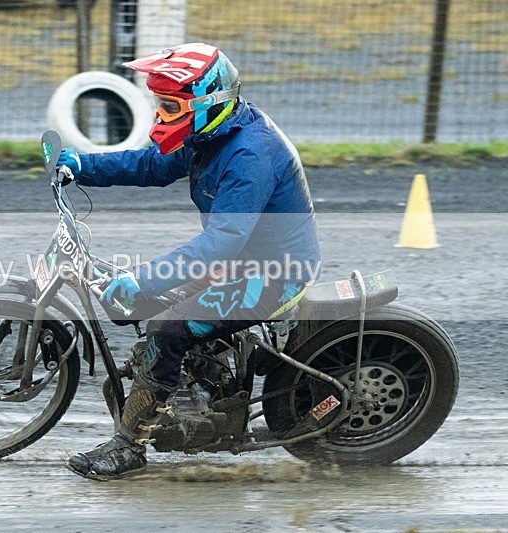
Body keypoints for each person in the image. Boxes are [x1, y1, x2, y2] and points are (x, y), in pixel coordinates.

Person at [56, 43, 322, 480]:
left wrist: (143, 282)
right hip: (241, 262)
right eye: (158, 103)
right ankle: (199, 383)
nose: (160, 116)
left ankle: (130, 448)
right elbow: (152, 165)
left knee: (165, 326)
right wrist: (85, 166)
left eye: (169, 105)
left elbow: (221, 243)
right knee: (154, 307)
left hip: (274, 276)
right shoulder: (209, 133)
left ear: (209, 102)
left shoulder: (248, 157)